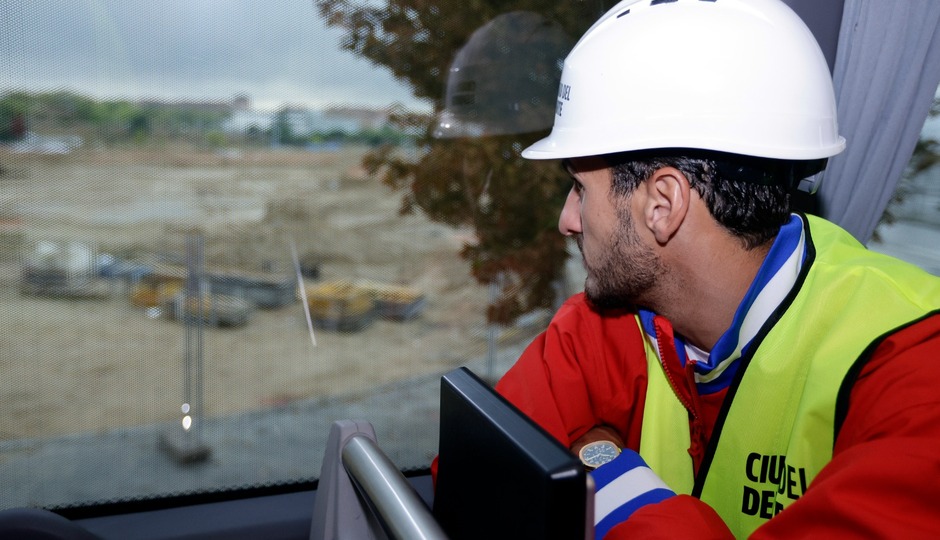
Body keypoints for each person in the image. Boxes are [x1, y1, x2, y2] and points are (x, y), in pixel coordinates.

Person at [494, 0, 940, 537]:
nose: (568, 221)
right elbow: (482, 469)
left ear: (663, 204)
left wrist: (606, 475)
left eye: (579, 189)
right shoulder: (607, 322)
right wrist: (600, 459)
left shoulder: (913, 363)